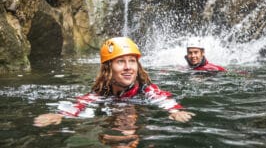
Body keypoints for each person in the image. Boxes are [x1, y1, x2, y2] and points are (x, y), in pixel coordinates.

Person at [34, 37, 195, 128]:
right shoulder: (101, 91)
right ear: (108, 68)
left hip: (142, 115)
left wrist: (175, 111)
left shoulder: (146, 89)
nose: (128, 67)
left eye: (132, 61)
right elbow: (81, 103)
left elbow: (163, 98)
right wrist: (60, 114)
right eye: (120, 62)